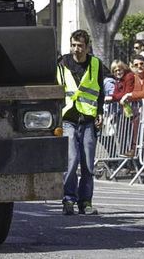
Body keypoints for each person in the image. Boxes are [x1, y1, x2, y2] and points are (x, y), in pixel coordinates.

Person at [57, 29, 108, 215]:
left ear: (87, 47)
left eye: (80, 46)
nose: (76, 49)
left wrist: (100, 113)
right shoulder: (62, 63)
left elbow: (100, 91)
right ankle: (68, 199)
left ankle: (85, 202)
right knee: (72, 160)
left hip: (88, 119)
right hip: (68, 118)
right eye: (73, 45)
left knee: (87, 164)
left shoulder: (95, 64)